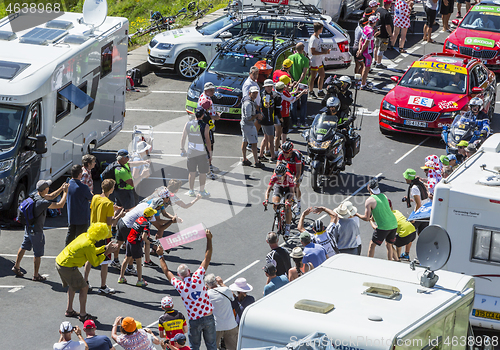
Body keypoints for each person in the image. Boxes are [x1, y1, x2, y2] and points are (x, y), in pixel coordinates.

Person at [156, 230, 217, 350]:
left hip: (194, 320)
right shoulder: (198, 276)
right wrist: (209, 239)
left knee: (194, 347)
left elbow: (166, 271)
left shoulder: (180, 285)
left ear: (180, 276)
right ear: (189, 271)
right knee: (212, 346)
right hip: (208, 317)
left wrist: (160, 255)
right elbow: (207, 257)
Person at [55, 222, 119, 322]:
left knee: (72, 286)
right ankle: (83, 314)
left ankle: (69, 310)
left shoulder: (84, 236)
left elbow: (92, 251)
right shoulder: (88, 245)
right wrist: (107, 252)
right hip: (68, 266)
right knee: (84, 287)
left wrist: (105, 248)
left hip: (61, 262)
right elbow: (95, 262)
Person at [12, 179, 69, 281]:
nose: (48, 188)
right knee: (37, 253)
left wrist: (61, 188)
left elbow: (51, 196)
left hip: (29, 227)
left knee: (24, 246)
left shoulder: (35, 195)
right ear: (44, 189)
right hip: (37, 231)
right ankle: (36, 275)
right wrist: (65, 192)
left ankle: (16, 266)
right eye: (47, 187)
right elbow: (60, 205)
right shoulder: (42, 203)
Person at [85, 179, 124, 295]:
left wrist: (112, 209)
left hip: (93, 231)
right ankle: (103, 286)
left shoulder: (96, 197)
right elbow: (110, 222)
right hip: (103, 234)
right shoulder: (108, 203)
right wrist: (119, 215)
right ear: (111, 189)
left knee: (90, 258)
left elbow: (97, 209)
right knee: (105, 261)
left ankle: (85, 281)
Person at [112, 198, 164, 272]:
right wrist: (171, 221)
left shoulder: (144, 204)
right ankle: (130, 267)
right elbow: (160, 227)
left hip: (122, 221)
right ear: (158, 206)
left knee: (119, 243)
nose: (161, 207)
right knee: (132, 248)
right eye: (161, 205)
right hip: (128, 227)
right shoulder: (150, 214)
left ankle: (115, 260)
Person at [356, 179, 398, 260]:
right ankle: (390, 262)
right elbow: (384, 210)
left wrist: (356, 214)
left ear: (369, 188)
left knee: (372, 245)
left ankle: (369, 262)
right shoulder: (384, 196)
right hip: (394, 223)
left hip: (384, 226)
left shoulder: (369, 200)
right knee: (389, 245)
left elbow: (366, 218)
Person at [118, 207, 157, 287]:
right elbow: (143, 236)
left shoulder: (139, 219)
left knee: (127, 259)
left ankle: (121, 277)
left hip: (129, 240)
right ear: (150, 216)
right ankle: (139, 280)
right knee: (139, 262)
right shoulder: (147, 224)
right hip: (135, 243)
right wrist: (148, 241)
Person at [181, 106, 212, 198]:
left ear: (195, 114)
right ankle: (202, 191)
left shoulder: (188, 124)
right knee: (202, 172)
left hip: (191, 151)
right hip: (201, 152)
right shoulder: (205, 126)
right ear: (203, 115)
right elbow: (207, 140)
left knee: (192, 172)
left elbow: (183, 137)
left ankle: (191, 190)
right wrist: (210, 153)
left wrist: (182, 148)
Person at [205, 274, 239, 350]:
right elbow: (232, 297)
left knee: (213, 347)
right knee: (233, 347)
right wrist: (221, 283)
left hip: (216, 326)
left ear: (206, 284)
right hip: (230, 324)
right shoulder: (226, 290)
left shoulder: (207, 294)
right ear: (216, 282)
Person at [198, 82, 222, 180]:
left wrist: (214, 113)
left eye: (213, 89)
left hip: (208, 125)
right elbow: (204, 115)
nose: (213, 91)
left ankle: (208, 165)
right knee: (208, 146)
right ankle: (207, 168)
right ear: (206, 90)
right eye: (211, 90)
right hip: (207, 126)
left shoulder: (206, 97)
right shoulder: (205, 100)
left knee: (209, 146)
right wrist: (215, 117)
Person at [264, 163, 295, 237]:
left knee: (288, 208)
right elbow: (268, 190)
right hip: (279, 187)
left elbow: (292, 192)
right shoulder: (274, 177)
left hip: (288, 189)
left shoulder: (289, 177)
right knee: (275, 204)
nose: (278, 177)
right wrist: (266, 200)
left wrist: (288, 200)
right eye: (277, 175)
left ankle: (287, 227)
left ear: (284, 174)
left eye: (280, 175)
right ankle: (279, 216)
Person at [275, 78, 308, 148]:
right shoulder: (284, 92)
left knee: (278, 131)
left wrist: (295, 91)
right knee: (284, 130)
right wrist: (302, 93)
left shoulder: (279, 92)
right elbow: (293, 99)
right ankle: (283, 145)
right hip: (284, 113)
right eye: (288, 84)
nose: (290, 85)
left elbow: (288, 95)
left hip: (279, 113)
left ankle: (278, 145)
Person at [66, 164, 94, 247]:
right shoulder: (83, 187)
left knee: (70, 235)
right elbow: (91, 198)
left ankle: (67, 251)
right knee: (81, 237)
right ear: (79, 174)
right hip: (81, 217)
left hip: (71, 216)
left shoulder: (69, 184)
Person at [276, 141, 304, 212]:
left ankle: (299, 204)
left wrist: (294, 181)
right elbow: (277, 169)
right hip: (290, 166)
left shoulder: (296, 155)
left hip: (298, 167)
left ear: (291, 151)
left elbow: (298, 172)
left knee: (296, 186)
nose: (285, 154)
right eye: (284, 152)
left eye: (287, 153)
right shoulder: (281, 154)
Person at [288, 42, 310, 128]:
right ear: (303, 49)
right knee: (303, 103)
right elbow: (304, 74)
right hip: (303, 84)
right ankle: (302, 122)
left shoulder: (290, 57)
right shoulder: (305, 60)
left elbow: (288, 71)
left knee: (293, 103)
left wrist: (294, 81)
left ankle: (294, 122)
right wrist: (299, 82)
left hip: (293, 83)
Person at [241, 86, 263, 167]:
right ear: (249, 93)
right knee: (254, 143)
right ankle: (256, 162)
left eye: (256, 93)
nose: (255, 94)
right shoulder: (248, 103)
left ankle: (244, 159)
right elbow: (248, 117)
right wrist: (257, 115)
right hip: (248, 125)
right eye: (253, 93)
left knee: (245, 141)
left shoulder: (248, 100)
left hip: (245, 124)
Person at [258, 79, 280, 162]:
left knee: (266, 137)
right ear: (265, 87)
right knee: (271, 138)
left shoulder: (269, 94)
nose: (270, 88)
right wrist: (267, 104)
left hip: (265, 119)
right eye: (268, 86)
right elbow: (266, 103)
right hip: (267, 119)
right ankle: (273, 157)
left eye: (271, 86)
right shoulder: (265, 95)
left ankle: (260, 155)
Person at [402, 168, 429, 235]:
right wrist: (410, 200)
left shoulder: (414, 188)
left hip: (420, 214)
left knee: (409, 233)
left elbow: (418, 204)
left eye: (406, 177)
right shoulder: (420, 184)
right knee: (422, 234)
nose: (405, 179)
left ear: (409, 178)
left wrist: (413, 217)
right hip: (426, 212)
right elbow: (423, 198)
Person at [308, 22, 330, 99]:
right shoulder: (313, 39)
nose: (322, 30)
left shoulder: (318, 37)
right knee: (313, 77)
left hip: (319, 60)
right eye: (321, 29)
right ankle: (311, 91)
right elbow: (313, 52)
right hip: (314, 61)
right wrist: (323, 52)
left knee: (322, 75)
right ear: (319, 29)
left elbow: (319, 48)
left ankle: (320, 91)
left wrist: (325, 51)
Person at [358, 16, 377, 90]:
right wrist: (361, 51)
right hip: (368, 52)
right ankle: (363, 84)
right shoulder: (371, 31)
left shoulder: (366, 27)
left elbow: (361, 39)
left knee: (364, 67)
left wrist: (359, 50)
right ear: (374, 22)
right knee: (366, 68)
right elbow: (366, 43)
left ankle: (362, 82)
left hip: (364, 51)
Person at [374, 0, 394, 69]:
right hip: (384, 34)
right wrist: (391, 35)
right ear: (389, 4)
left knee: (376, 47)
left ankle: (375, 60)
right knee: (381, 49)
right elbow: (387, 26)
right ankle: (378, 63)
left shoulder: (378, 9)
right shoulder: (386, 14)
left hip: (377, 32)